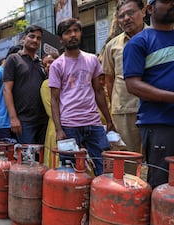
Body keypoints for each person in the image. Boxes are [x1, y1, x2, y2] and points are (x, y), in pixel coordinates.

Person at [49, 18, 114, 176]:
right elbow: (54, 99)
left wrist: (109, 120)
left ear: (80, 34)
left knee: (104, 167)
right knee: (70, 171)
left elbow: (99, 92)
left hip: (93, 123)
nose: (72, 35)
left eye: (76, 31)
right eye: (67, 32)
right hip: (69, 126)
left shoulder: (92, 60)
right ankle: (75, 201)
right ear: (61, 38)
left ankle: (101, 199)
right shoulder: (57, 65)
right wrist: (58, 129)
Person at [123, 0, 174, 188]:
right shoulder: (139, 42)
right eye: (167, 1)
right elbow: (133, 85)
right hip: (159, 124)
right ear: (150, 9)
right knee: (163, 184)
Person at [101, 0, 146, 174]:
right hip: (124, 110)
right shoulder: (113, 46)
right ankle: (130, 196)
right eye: (121, 16)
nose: (126, 18)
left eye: (131, 13)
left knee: (157, 157)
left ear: (143, 12)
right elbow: (109, 80)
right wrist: (114, 109)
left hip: (156, 107)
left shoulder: (157, 36)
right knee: (127, 159)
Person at [3, 25, 48, 144]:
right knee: (27, 159)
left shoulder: (41, 63)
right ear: (23, 39)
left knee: (41, 158)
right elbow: (7, 90)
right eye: (32, 36)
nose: (35, 40)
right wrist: (13, 118)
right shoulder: (13, 59)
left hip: (43, 120)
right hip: (24, 121)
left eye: (38, 38)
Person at [40, 53, 60, 168]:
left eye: (51, 62)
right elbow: (52, 111)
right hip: (56, 127)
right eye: (45, 64)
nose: (48, 66)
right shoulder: (46, 84)